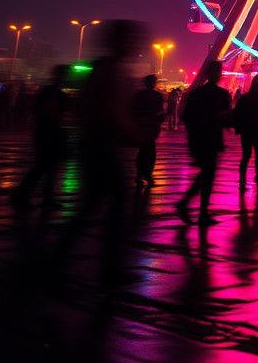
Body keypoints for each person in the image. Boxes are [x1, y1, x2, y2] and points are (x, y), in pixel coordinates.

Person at [55, 19, 145, 284]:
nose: (134, 45)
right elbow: (109, 109)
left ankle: (61, 259)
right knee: (114, 205)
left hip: (96, 145)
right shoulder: (110, 70)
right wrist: (131, 134)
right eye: (130, 40)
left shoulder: (106, 68)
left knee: (92, 207)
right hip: (101, 147)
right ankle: (109, 267)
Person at [176, 59, 232, 226]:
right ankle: (194, 208)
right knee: (207, 176)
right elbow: (226, 118)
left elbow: (187, 117)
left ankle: (196, 209)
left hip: (197, 139)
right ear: (218, 74)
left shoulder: (195, 94)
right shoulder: (222, 95)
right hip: (212, 138)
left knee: (205, 175)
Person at [10, 64, 69, 210]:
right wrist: (59, 128)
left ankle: (28, 196)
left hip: (43, 132)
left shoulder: (48, 90)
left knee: (44, 167)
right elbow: (50, 111)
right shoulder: (53, 91)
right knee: (45, 167)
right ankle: (24, 196)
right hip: (49, 134)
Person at [131, 74, 165, 189]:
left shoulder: (139, 95)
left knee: (142, 152)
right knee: (150, 153)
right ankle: (147, 175)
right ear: (154, 83)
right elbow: (160, 112)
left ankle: (140, 175)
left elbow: (134, 110)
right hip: (151, 127)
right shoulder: (157, 96)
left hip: (142, 127)